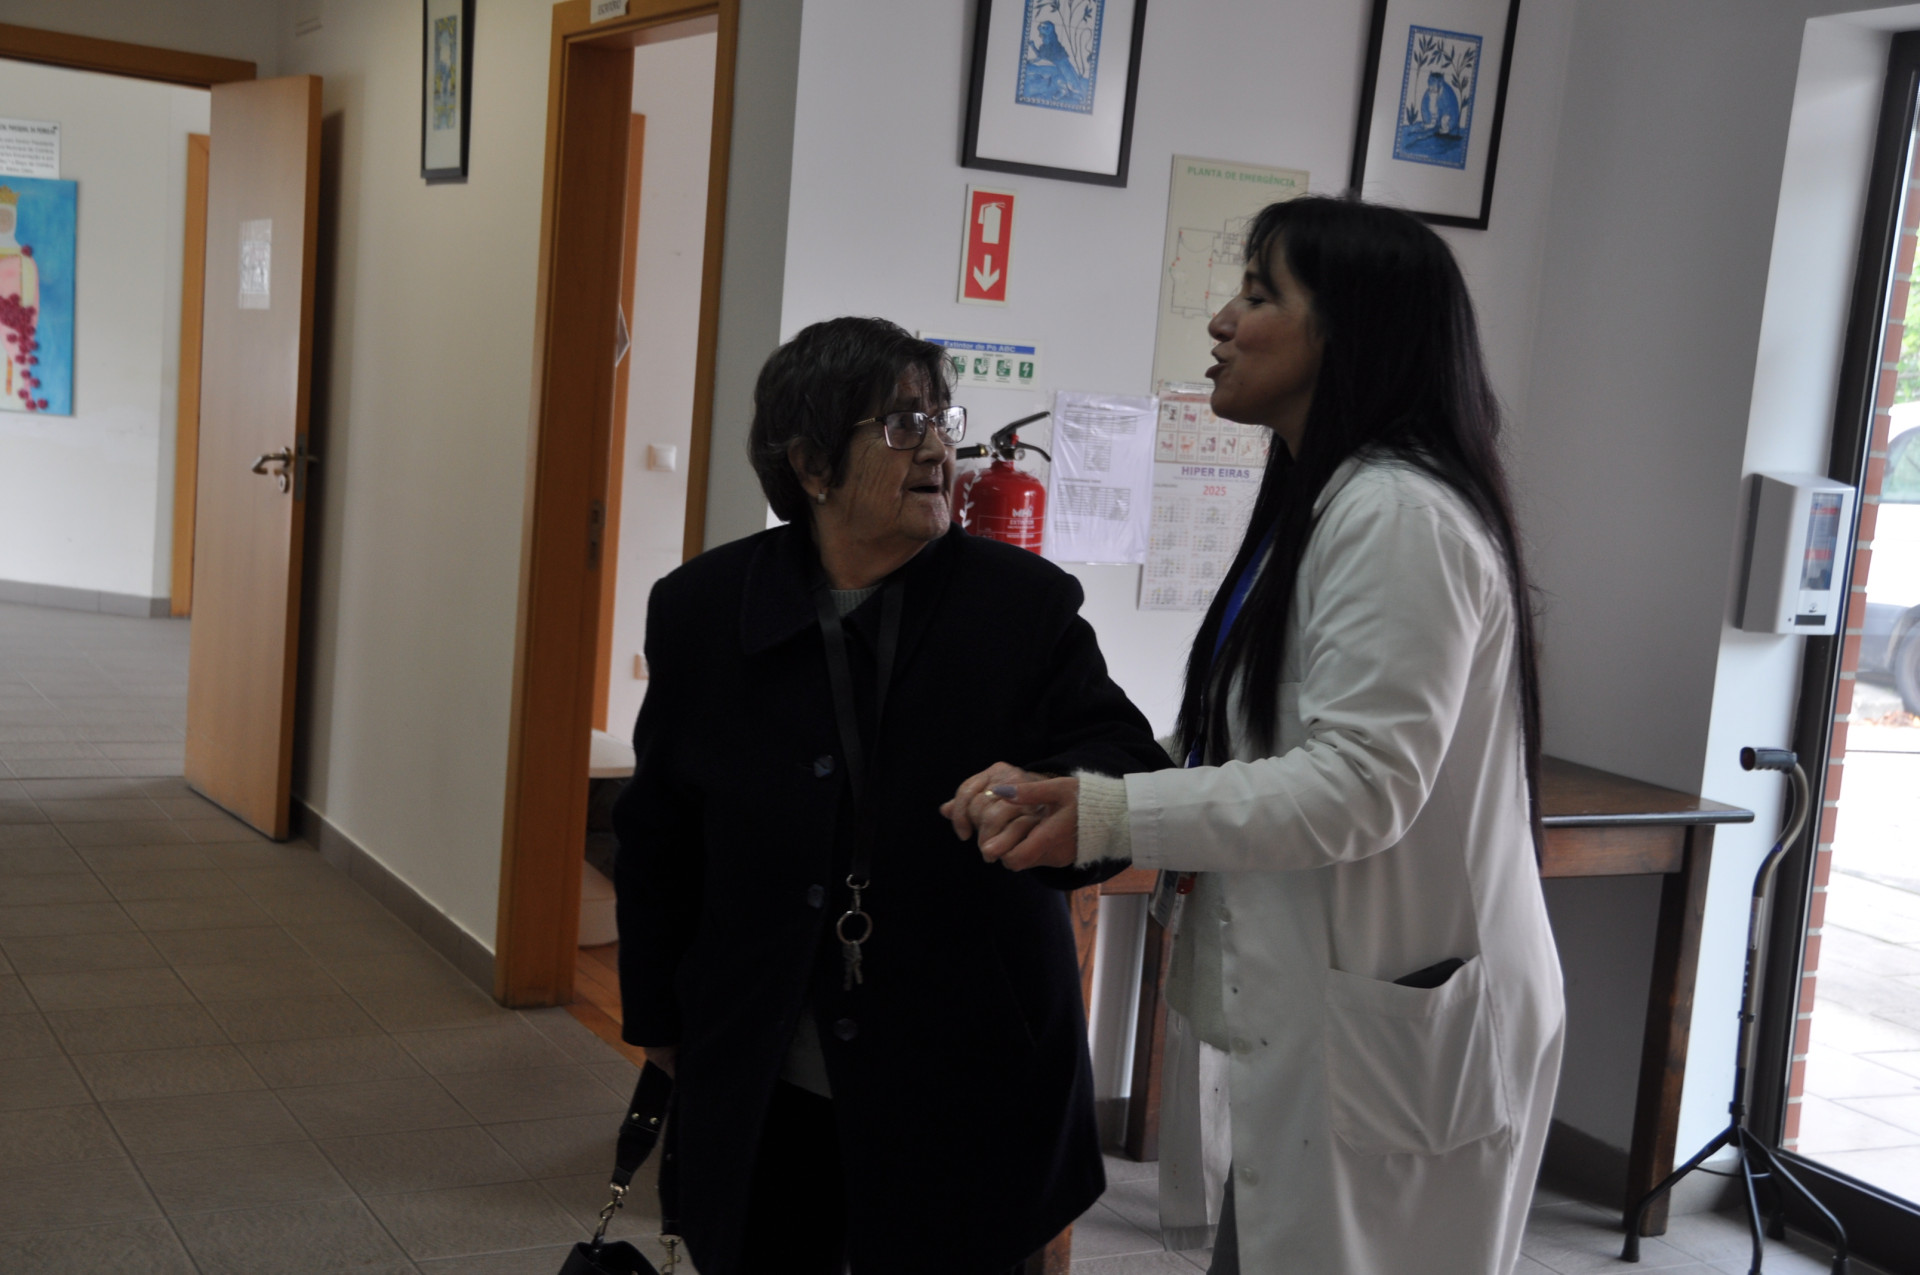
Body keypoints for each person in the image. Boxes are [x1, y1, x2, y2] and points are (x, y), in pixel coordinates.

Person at [946, 196, 1566, 1274]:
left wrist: (1109, 810)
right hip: (1345, 1034)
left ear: (1348, 333)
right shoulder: (1325, 506)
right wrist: (1086, 795)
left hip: (1395, 1037)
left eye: (1259, 294)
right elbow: (1260, 743)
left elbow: (1358, 786)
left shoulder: (1396, 517)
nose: (1223, 321)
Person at [612, 316, 1166, 1275]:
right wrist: (657, 1016)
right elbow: (660, 830)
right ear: (811, 464)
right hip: (765, 1061)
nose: (940, 447)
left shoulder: (1021, 604)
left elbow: (1129, 765)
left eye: (944, 418)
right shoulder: (704, 607)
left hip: (965, 1068)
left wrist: (1057, 792)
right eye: (904, 424)